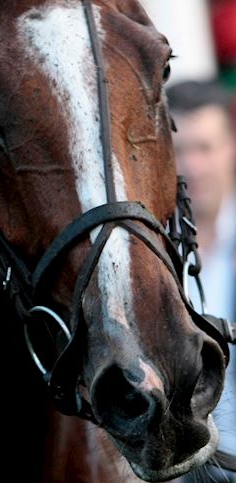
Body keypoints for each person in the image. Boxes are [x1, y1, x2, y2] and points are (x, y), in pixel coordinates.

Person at [168, 79, 236, 482]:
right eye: (179, 151)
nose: (192, 167)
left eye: (205, 148)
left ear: (230, 148)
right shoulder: (147, 252)